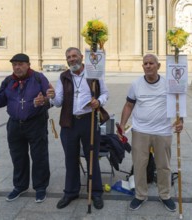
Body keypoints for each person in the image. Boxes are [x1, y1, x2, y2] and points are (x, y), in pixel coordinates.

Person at [0, 53, 50, 203]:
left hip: (36, 123)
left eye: (20, 64)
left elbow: (52, 98)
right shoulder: (8, 81)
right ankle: (20, 186)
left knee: (39, 157)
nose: (17, 67)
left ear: (28, 64)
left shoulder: (39, 78)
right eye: (14, 65)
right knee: (18, 157)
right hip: (14, 125)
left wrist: (44, 100)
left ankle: (40, 187)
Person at [46, 47, 109, 209]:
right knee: (70, 158)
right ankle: (71, 192)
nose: (71, 59)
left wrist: (99, 102)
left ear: (81, 57)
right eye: (68, 57)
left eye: (74, 56)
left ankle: (95, 192)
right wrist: (53, 97)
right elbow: (59, 101)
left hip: (89, 121)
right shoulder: (64, 76)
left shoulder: (94, 73)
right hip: (69, 122)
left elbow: (105, 94)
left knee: (92, 157)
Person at [119, 54, 184, 212]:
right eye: (145, 64)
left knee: (163, 165)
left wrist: (180, 120)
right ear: (142, 67)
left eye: (151, 63)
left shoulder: (169, 84)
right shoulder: (136, 84)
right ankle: (140, 195)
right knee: (140, 165)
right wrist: (121, 125)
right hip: (140, 131)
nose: (148, 66)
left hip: (163, 131)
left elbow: (178, 101)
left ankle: (165, 195)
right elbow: (128, 105)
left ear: (158, 66)